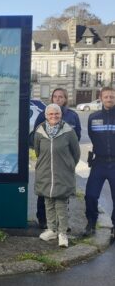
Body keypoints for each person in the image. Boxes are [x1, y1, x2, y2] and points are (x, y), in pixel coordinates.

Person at [33, 88, 81, 229]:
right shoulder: (43, 115)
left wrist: (70, 162)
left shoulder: (72, 116)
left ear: (65, 99)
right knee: (44, 193)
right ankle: (43, 221)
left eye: (61, 97)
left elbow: (76, 140)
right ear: (52, 98)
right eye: (55, 96)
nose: (58, 99)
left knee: (62, 195)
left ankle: (61, 225)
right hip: (47, 162)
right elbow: (36, 142)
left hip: (63, 162)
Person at [83, 87, 115, 237]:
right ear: (101, 98)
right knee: (90, 195)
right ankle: (91, 223)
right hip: (99, 163)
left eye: (112, 97)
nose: (109, 99)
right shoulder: (93, 117)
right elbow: (91, 135)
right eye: (106, 97)